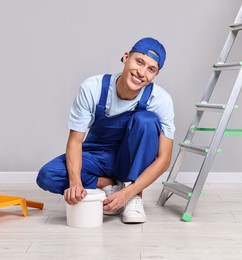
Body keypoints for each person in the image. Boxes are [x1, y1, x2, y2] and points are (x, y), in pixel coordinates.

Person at [37, 37, 175, 224]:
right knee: (48, 175)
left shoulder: (160, 100)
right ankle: (110, 184)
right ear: (126, 57)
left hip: (131, 158)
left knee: (146, 120)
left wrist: (127, 194)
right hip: (98, 156)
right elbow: (75, 142)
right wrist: (75, 182)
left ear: (155, 75)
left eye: (151, 69)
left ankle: (134, 196)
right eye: (139, 61)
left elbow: (164, 159)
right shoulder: (92, 88)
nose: (141, 72)